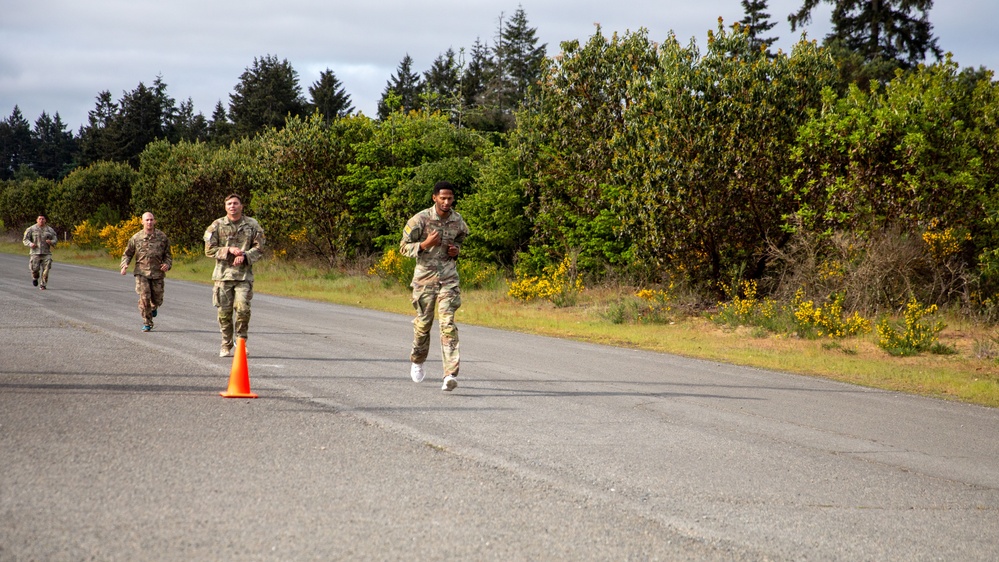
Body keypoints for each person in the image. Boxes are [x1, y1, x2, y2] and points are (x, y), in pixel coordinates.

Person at [399, 181, 469, 391]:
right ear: (434, 198)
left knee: (447, 324)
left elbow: (462, 239)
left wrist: (456, 250)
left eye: (450, 198)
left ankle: (449, 374)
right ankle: (417, 360)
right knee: (423, 326)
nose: (447, 202)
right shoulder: (420, 219)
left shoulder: (458, 220)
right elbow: (403, 247)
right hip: (425, 281)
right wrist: (424, 245)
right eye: (443, 198)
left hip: (448, 279)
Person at [204, 193, 265, 357]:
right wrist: (228, 250)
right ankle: (226, 343)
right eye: (229, 204)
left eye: (236, 203)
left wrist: (245, 256)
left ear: (241, 206)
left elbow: (260, 248)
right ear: (225, 207)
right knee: (224, 313)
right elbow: (209, 249)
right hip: (223, 276)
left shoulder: (252, 225)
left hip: (243, 276)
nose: (233, 206)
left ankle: (241, 341)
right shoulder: (216, 225)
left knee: (243, 308)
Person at [120, 212, 172, 332]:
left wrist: (167, 265)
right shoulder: (136, 238)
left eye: (151, 220)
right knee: (144, 297)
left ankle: (154, 307)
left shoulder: (162, 237)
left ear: (154, 221)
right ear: (142, 222)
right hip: (141, 272)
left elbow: (168, 255)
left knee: (157, 299)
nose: (149, 222)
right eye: (147, 220)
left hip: (157, 273)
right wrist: (124, 265)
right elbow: (127, 253)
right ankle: (147, 322)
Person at [22, 214, 58, 290]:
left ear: (45, 220)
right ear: (37, 220)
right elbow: (25, 239)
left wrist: (51, 241)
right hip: (35, 253)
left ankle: (43, 285)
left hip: (46, 253)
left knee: (46, 269)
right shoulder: (31, 229)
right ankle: (35, 277)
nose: (41, 220)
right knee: (35, 269)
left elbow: (55, 239)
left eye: (43, 219)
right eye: (40, 219)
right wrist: (30, 244)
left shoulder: (49, 230)